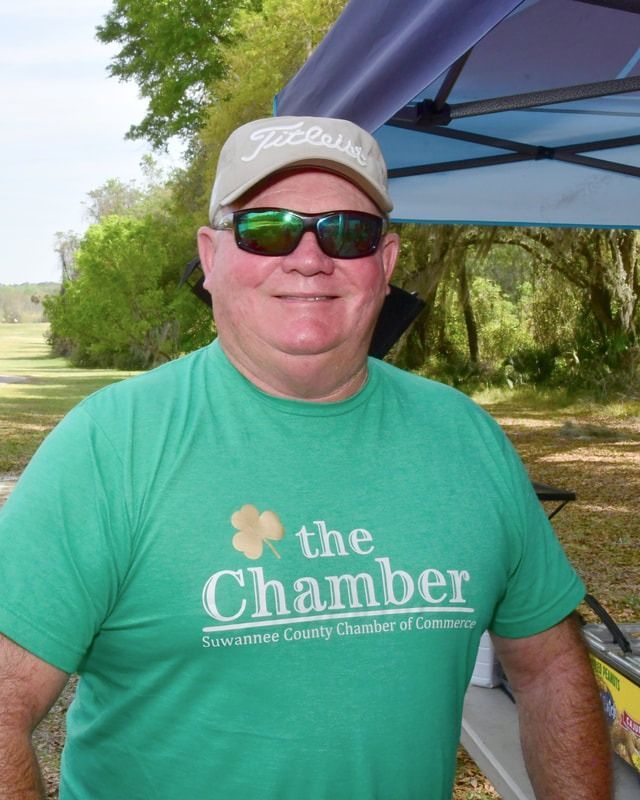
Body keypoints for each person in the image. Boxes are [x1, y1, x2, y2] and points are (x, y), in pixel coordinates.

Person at [0, 116, 611, 799]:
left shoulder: (466, 438)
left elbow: (551, 670)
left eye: (347, 231)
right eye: (268, 229)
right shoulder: (110, 447)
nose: (309, 257)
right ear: (211, 256)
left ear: (384, 263)